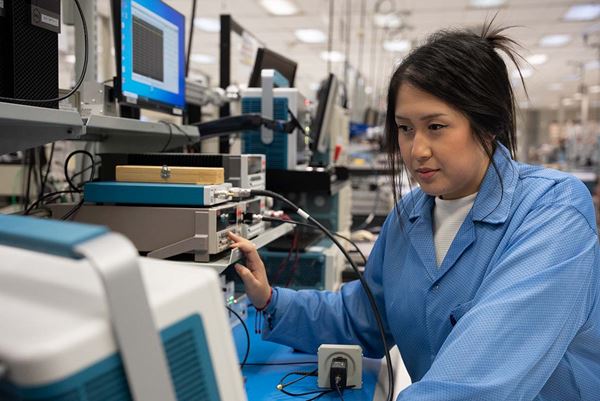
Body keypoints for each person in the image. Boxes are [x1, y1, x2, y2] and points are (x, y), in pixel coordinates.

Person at [228, 22, 600, 401]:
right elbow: (364, 318)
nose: (416, 149)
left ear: (491, 125)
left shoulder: (553, 212)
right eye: (405, 129)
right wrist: (271, 300)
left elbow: (475, 385)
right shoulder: (410, 216)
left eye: (436, 127)